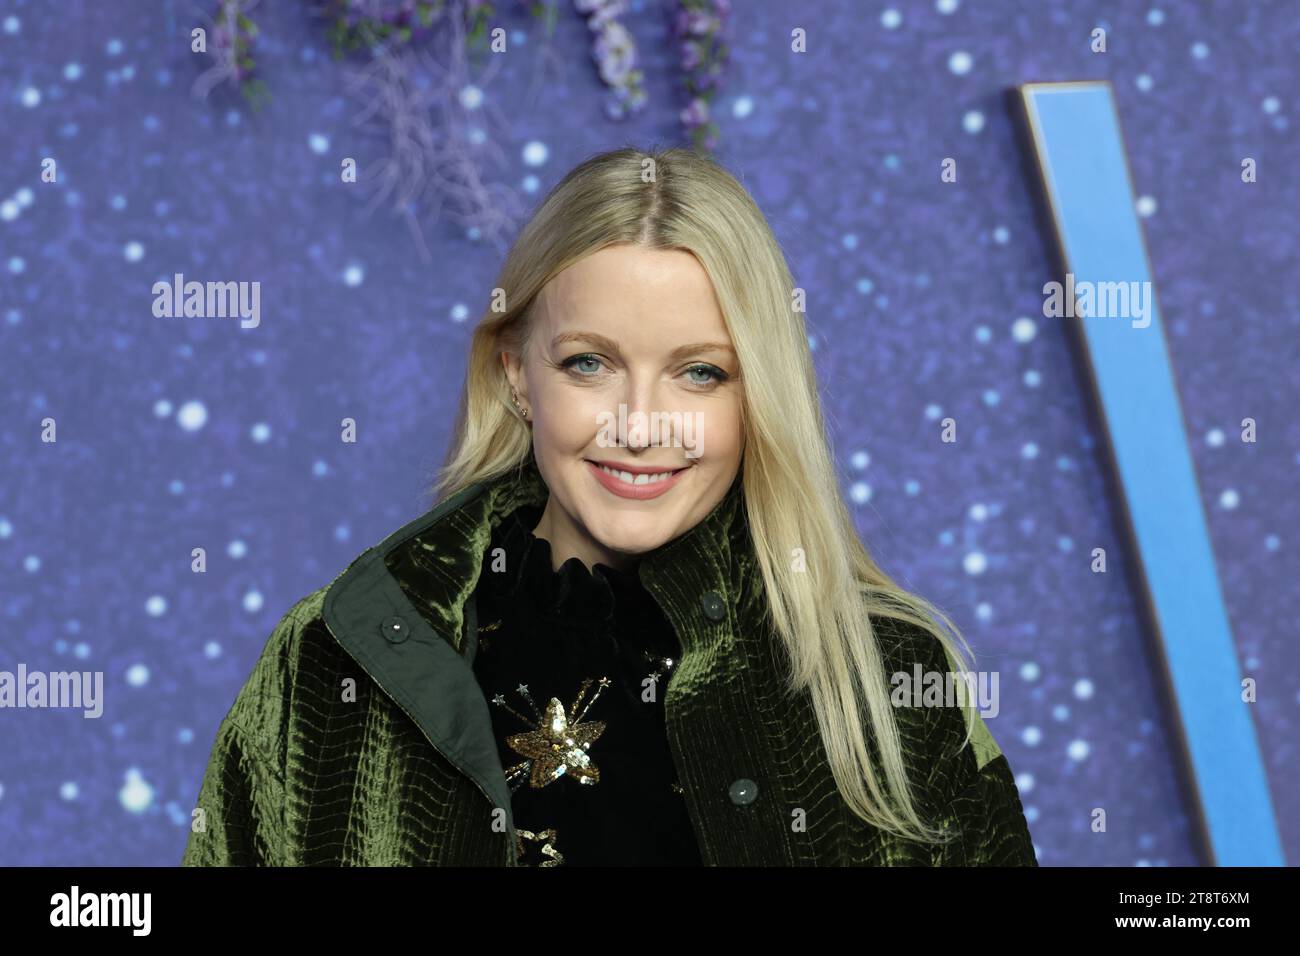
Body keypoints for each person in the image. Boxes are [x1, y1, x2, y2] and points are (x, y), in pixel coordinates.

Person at [182, 145, 1037, 866]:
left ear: (759, 395)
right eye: (589, 363)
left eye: (701, 372)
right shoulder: (338, 656)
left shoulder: (888, 674)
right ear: (517, 374)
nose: (641, 425)